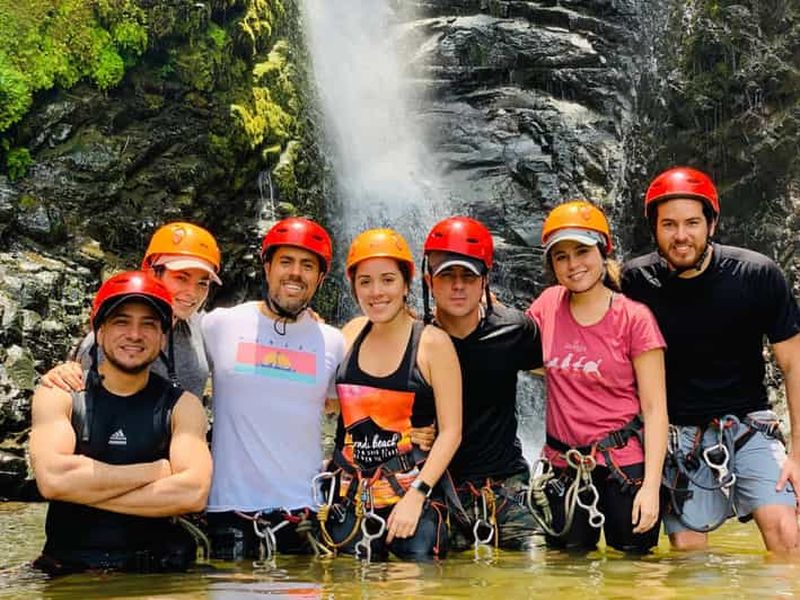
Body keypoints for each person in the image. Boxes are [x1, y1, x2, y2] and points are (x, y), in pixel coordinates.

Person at [621, 166, 800, 552]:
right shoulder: (633, 282)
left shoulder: (756, 275)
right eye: (668, 224)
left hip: (749, 425)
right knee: (688, 557)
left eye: (692, 223)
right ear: (654, 229)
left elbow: (794, 365)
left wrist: (799, 454)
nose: (681, 236)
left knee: (788, 535)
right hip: (679, 436)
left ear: (712, 224)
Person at [29, 271, 213, 574]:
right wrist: (156, 471)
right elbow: (53, 480)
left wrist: (83, 491)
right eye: (121, 322)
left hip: (157, 577)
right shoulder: (60, 395)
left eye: (149, 324)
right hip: (69, 572)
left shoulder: (183, 406)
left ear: (163, 337)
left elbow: (192, 493)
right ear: (99, 332)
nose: (135, 334)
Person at [525, 200, 668, 553]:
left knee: (635, 574)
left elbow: (654, 410)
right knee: (566, 576)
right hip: (563, 467)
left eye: (582, 251)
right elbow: (512, 350)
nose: (573, 265)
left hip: (624, 467)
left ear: (603, 251)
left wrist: (650, 487)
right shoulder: (546, 305)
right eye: (561, 257)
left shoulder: (634, 318)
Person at [202, 217, 346, 560]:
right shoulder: (220, 324)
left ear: (321, 278)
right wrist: (76, 362)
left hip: (304, 518)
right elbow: (153, 341)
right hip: (229, 516)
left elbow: (358, 407)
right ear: (267, 267)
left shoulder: (332, 342)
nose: (295, 273)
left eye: (307, 265)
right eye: (286, 261)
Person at [322, 228, 462, 561]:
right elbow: (327, 404)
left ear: (405, 284)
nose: (376, 292)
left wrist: (417, 496)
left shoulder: (432, 344)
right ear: (353, 285)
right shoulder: (351, 334)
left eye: (387, 280)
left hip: (412, 495)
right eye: (365, 281)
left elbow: (452, 431)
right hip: (353, 496)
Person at [419, 216, 544, 551]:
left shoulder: (515, 330)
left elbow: (564, 369)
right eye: (447, 276)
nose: (458, 286)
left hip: (506, 483)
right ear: (429, 281)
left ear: (485, 281)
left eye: (468, 276)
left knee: (533, 571)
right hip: (442, 488)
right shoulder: (416, 341)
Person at [42, 222, 223, 398]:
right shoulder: (108, 338)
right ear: (152, 273)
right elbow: (75, 393)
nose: (192, 292)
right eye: (181, 278)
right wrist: (61, 374)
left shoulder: (203, 327)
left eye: (202, 283)